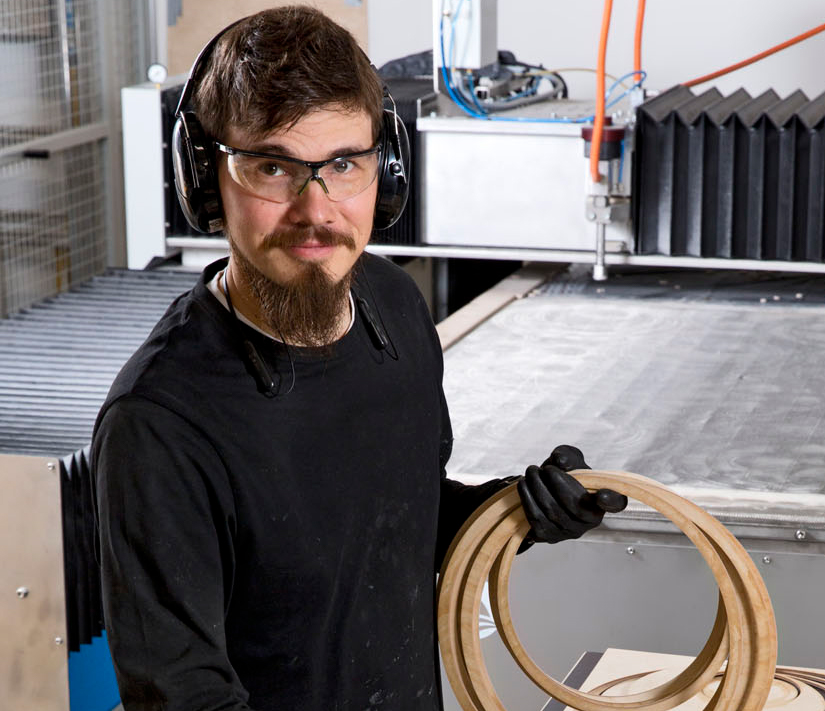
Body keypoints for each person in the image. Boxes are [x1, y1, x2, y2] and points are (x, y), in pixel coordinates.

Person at [92, 6, 625, 711]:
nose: (316, 210)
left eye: (344, 164)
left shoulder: (391, 304)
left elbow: (398, 525)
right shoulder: (161, 425)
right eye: (273, 167)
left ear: (387, 171)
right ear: (203, 181)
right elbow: (185, 698)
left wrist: (517, 512)